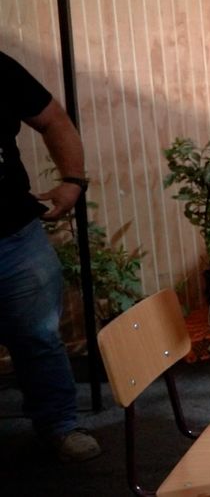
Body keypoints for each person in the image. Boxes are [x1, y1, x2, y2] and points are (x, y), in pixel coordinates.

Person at [0, 51, 101, 463]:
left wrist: (73, 181)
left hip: (13, 234)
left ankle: (59, 425)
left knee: (39, 338)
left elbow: (52, 118)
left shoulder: (0, 68)